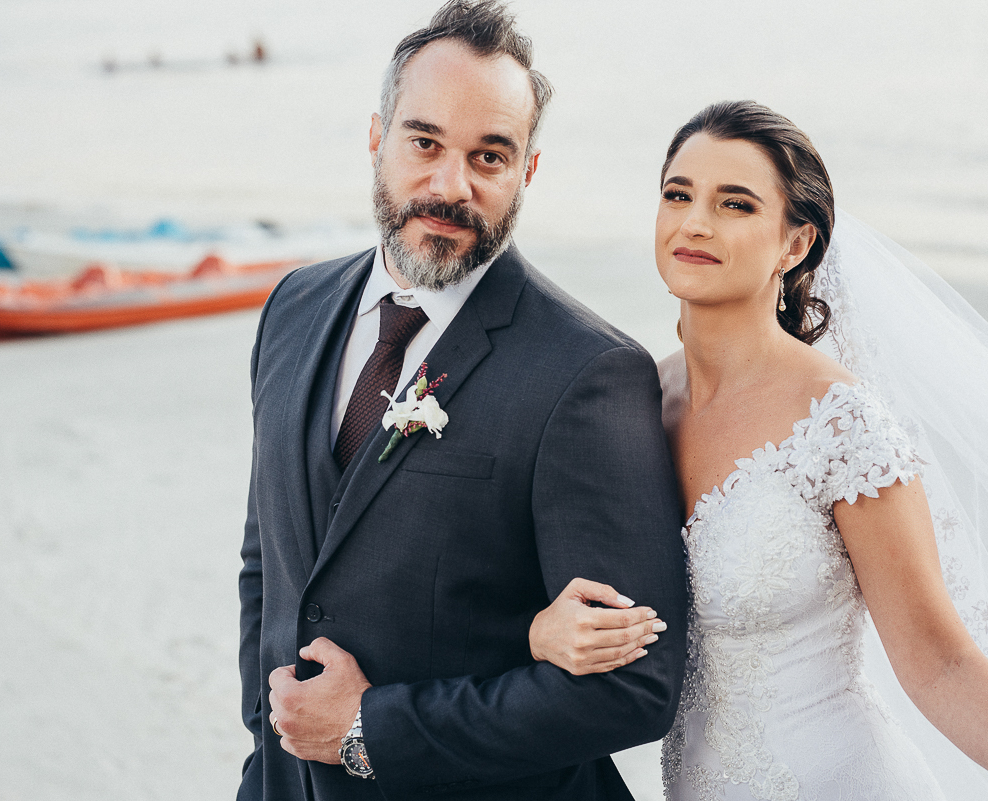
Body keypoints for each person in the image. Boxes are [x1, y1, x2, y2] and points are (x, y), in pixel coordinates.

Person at [529, 101, 988, 800]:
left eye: (735, 204)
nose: (695, 222)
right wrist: (541, 632)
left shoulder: (838, 421)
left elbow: (938, 660)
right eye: (678, 194)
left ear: (795, 245)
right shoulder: (635, 402)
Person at [236, 2, 687, 799]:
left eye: (490, 155)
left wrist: (372, 730)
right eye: (425, 142)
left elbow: (635, 685)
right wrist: (267, 743)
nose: (452, 185)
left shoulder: (589, 372)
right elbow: (266, 559)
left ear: (528, 171)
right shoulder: (292, 308)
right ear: (376, 137)